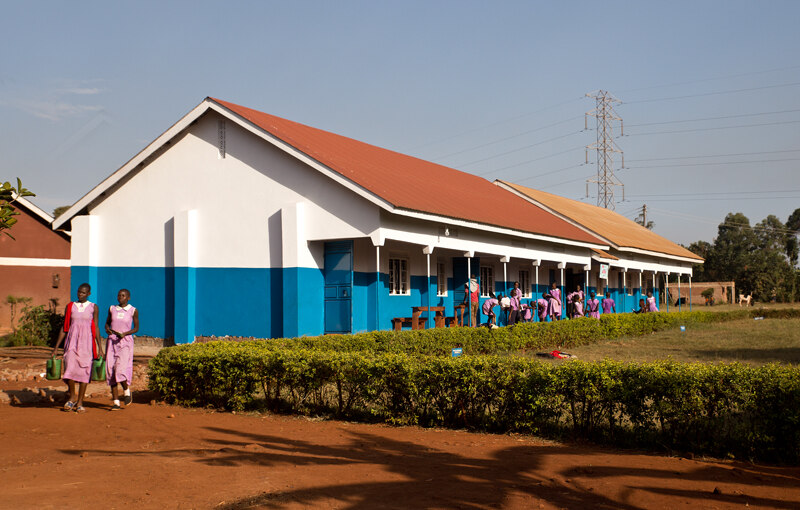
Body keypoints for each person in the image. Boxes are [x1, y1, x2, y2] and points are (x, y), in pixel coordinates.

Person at [51, 283, 103, 413]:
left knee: (84, 372)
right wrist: (56, 347)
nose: (80, 294)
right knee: (69, 368)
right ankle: (72, 397)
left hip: (86, 343)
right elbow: (65, 327)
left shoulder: (93, 307)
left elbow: (96, 327)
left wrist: (100, 347)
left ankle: (80, 402)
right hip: (72, 342)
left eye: (83, 293)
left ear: (89, 294)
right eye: (79, 292)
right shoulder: (70, 306)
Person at [105, 289, 140, 410]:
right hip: (112, 342)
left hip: (125, 342)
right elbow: (107, 324)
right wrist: (107, 329)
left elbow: (136, 328)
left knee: (120, 369)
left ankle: (126, 390)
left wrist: (125, 333)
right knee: (111, 371)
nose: (120, 297)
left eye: (123, 296)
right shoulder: (112, 309)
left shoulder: (133, 310)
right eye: (119, 295)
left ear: (128, 298)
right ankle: (116, 402)